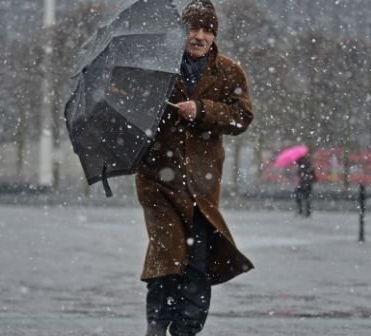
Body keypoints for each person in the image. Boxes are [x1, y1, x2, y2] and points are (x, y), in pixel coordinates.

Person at [134, 1, 254, 335]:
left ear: (214, 35)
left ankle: (186, 328)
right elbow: (133, 111)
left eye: (207, 30)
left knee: (197, 263)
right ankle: (157, 325)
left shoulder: (229, 72)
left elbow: (242, 117)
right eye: (193, 29)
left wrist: (202, 110)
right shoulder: (156, 68)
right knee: (166, 255)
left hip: (201, 185)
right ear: (181, 31)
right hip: (157, 180)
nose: (199, 37)